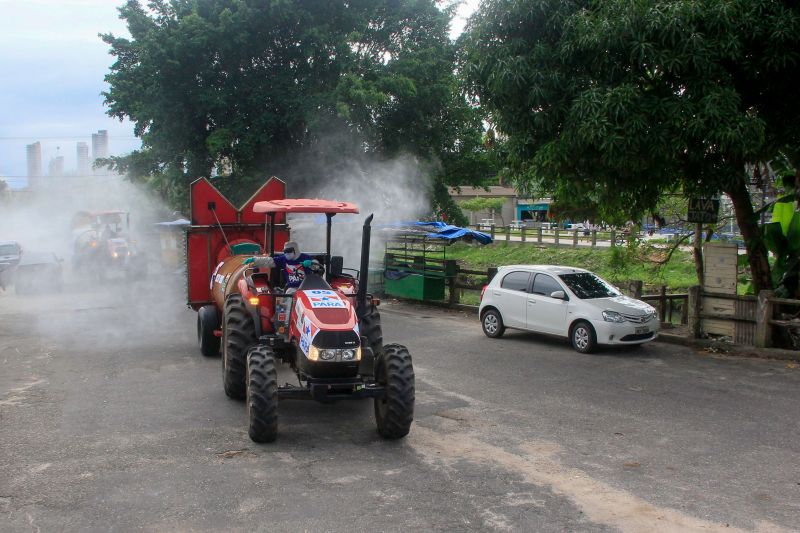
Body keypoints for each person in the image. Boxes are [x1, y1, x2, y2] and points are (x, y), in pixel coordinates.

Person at [243, 241, 317, 290]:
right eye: (285, 252)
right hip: (292, 288)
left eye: (288, 251)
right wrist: (255, 260)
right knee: (288, 299)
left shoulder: (306, 258)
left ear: (295, 250)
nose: (286, 254)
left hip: (307, 288)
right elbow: (269, 261)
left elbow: (317, 266)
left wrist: (311, 263)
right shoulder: (283, 259)